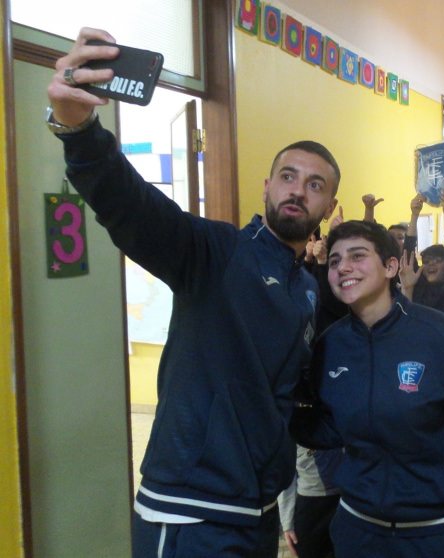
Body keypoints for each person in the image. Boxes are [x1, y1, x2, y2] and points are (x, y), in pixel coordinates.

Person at [47, 28, 339, 556]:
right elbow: (133, 208)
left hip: (257, 512)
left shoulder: (307, 288)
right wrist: (80, 131)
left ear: (329, 207)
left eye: (315, 184)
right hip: (187, 511)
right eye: (288, 176)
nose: (298, 189)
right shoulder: (217, 252)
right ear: (267, 187)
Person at [292, 220, 444, 557]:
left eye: (357, 256)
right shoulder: (331, 344)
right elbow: (331, 428)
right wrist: (280, 407)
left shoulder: (441, 336)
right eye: (334, 261)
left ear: (391, 266)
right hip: (358, 530)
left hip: (438, 531)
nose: (344, 266)